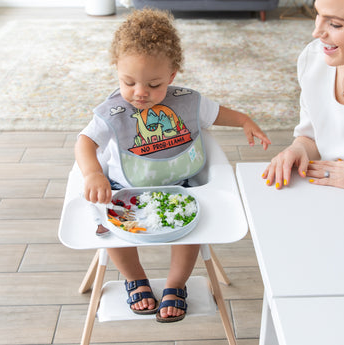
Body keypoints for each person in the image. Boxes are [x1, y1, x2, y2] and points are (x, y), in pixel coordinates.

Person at [75, 8, 271, 323]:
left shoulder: (186, 101)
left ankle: (176, 283)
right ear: (117, 70)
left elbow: (217, 113)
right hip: (126, 190)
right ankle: (134, 277)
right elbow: (85, 142)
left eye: (153, 84)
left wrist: (245, 120)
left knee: (192, 227)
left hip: (178, 185)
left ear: (172, 75)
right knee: (114, 228)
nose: (140, 93)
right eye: (128, 82)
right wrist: (93, 173)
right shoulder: (112, 111)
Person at [262, 0, 344, 189]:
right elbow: (312, 137)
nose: (316, 33)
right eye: (318, 14)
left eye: (335, 24)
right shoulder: (314, 59)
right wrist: (299, 149)